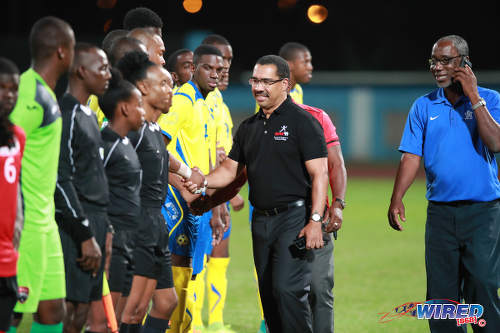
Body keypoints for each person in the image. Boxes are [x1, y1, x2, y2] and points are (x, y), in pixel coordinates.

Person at [186, 55, 329, 333]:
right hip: (261, 222)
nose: (258, 87)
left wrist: (315, 220)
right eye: (255, 80)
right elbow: (230, 171)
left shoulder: (303, 122)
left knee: (288, 290)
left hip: (294, 219)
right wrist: (203, 181)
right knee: (269, 294)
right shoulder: (249, 127)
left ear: (284, 84)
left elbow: (320, 174)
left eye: (266, 81)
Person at [388, 35, 500, 332]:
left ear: (464, 63)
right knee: (441, 298)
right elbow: (411, 155)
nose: (437, 67)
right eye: (433, 61)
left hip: (483, 211)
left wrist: (474, 96)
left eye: (445, 61)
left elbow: (496, 142)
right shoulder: (423, 106)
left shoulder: (491, 99)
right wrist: (397, 197)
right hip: (440, 214)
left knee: (483, 286)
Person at [116, 51, 203, 333]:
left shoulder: (153, 129)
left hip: (155, 227)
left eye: (172, 85)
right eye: (164, 84)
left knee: (165, 302)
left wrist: (190, 175)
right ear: (143, 88)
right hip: (135, 227)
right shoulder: (132, 129)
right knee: (130, 310)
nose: (172, 91)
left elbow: (163, 158)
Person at [8, 16, 75, 333]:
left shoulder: (45, 94)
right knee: (13, 312)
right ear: (62, 52)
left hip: (45, 222)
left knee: (52, 310)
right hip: (26, 224)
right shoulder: (27, 94)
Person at [157, 44, 225, 333]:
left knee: (193, 271)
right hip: (177, 201)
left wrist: (216, 205)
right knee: (179, 273)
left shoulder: (205, 102)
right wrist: (180, 185)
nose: (215, 74)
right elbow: (157, 145)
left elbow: (207, 160)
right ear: (194, 68)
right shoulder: (183, 100)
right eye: (207, 68)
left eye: (219, 69)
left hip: (198, 202)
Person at [53, 42, 111, 333]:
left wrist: (104, 228)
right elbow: (60, 179)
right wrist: (85, 234)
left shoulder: (87, 113)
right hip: (76, 228)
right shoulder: (67, 114)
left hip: (96, 224)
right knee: (71, 308)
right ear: (80, 71)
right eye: (101, 68)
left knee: (84, 308)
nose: (108, 74)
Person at [189, 34, 244, 333]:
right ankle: (195, 322)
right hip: (200, 194)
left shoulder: (218, 103)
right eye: (216, 64)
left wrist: (229, 193)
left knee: (220, 253)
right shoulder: (192, 101)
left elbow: (224, 154)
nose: (223, 70)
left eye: (228, 63)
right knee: (197, 258)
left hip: (218, 193)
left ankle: (217, 321)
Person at [99, 68, 145, 329]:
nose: (143, 111)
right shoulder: (106, 142)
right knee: (108, 320)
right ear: (125, 109)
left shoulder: (127, 142)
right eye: (139, 105)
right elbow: (93, 190)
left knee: (127, 319)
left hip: (131, 240)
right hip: (113, 243)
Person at [296, 102, 346, 333]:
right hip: (278, 221)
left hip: (316, 217)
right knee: (282, 293)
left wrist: (337, 204)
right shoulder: (261, 124)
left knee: (318, 288)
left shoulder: (316, 117)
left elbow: (335, 163)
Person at [0, 57, 25, 332]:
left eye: (13, 88)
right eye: (2, 87)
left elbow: (14, 194)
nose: (9, 94)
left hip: (7, 257)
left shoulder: (18, 136)